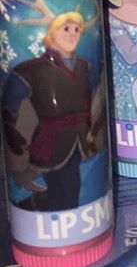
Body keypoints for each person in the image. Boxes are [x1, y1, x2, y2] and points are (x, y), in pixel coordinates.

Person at [1, 12, 106, 210]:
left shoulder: (83, 65)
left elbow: (92, 93)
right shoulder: (32, 69)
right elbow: (10, 99)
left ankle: (53, 213)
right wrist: (11, 128)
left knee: (70, 187)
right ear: (51, 33)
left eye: (77, 30)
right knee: (63, 189)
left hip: (79, 139)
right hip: (51, 141)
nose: (72, 34)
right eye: (66, 29)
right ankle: (41, 213)